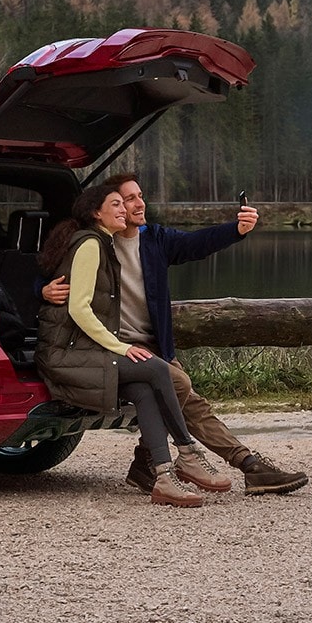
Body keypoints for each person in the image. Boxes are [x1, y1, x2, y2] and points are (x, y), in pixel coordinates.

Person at [42, 173, 309, 497]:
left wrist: (235, 230)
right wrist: (43, 290)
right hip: (116, 346)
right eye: (127, 199)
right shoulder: (97, 242)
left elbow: (195, 244)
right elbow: (59, 274)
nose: (139, 204)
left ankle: (160, 464)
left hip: (151, 346)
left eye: (140, 196)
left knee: (192, 402)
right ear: (104, 207)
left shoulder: (154, 240)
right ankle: (219, 462)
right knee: (180, 386)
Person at [34, 184, 229, 508]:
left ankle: (163, 478)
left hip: (82, 349)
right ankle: (188, 452)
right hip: (63, 353)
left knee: (142, 389)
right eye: (116, 204)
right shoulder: (90, 244)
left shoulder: (103, 244)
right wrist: (120, 347)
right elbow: (78, 308)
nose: (124, 209)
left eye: (124, 205)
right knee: (154, 367)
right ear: (96, 212)